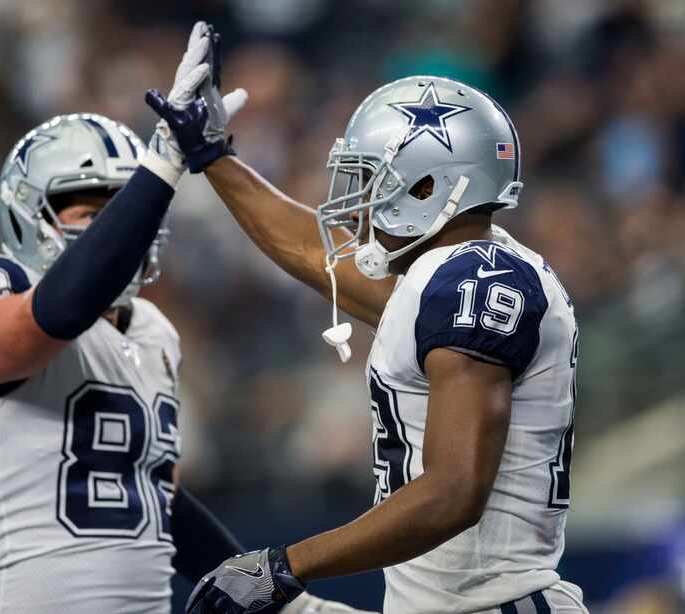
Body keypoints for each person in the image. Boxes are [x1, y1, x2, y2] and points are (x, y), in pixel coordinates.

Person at [147, 29, 588, 614]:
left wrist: (285, 565)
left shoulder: (476, 282)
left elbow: (454, 493)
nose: (359, 202)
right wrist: (213, 158)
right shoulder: (455, 271)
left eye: (373, 179)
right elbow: (312, 253)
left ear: (429, 187)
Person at [0, 23, 372, 614]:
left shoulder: (150, 329)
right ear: (27, 215)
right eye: (91, 208)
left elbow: (150, 491)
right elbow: (52, 317)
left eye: (125, 207)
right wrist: (162, 161)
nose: (120, 225)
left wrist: (272, 599)